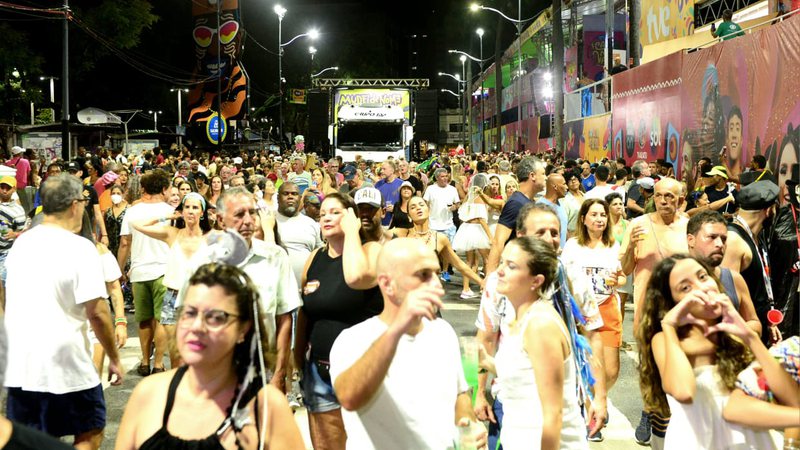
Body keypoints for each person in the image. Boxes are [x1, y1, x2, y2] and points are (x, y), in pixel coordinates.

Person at [114, 263, 305, 449]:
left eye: (215, 317)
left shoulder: (267, 408)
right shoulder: (148, 394)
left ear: (243, 329)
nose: (197, 326)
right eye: (189, 313)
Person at [329, 238, 487, 449]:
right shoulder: (353, 339)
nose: (437, 285)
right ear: (387, 284)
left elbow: (460, 394)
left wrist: (467, 426)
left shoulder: (442, 332)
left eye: (436, 273)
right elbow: (350, 397)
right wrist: (397, 330)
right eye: (423, 275)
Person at [5, 174, 122, 450]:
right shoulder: (80, 248)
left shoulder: (21, 244)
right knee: (90, 430)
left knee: (35, 441)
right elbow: (98, 312)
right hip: (67, 365)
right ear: (74, 204)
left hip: (23, 366)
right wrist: (115, 358)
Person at [636, 255, 781, 449]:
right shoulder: (666, 340)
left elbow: (779, 389)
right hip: (698, 441)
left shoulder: (734, 333)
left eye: (703, 277)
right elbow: (683, 391)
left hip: (752, 440)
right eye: (685, 288)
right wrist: (669, 326)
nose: (702, 288)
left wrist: (749, 336)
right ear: (672, 302)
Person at [297, 193, 384, 449]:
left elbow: (356, 276)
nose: (326, 217)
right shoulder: (314, 257)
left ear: (351, 217)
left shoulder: (372, 250)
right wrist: (296, 359)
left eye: (335, 212)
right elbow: (306, 312)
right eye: (322, 212)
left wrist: (352, 233)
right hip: (319, 370)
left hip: (361, 369)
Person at [490, 236, 589, 450]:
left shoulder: (539, 325)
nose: (500, 270)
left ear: (536, 281)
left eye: (511, 266)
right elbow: (527, 374)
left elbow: (553, 413)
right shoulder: (522, 318)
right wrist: (485, 361)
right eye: (502, 262)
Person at [619, 177, 688, 446]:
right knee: (650, 366)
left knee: (677, 364)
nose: (664, 201)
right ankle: (649, 410)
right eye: (659, 196)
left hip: (681, 310)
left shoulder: (687, 228)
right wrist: (630, 249)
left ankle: (672, 414)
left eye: (670, 196)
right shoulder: (638, 225)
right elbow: (625, 269)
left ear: (681, 199)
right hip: (647, 310)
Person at [216, 187, 302, 393]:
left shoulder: (275, 256)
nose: (248, 221)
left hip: (265, 372)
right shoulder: (203, 259)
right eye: (239, 214)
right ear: (220, 220)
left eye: (252, 213)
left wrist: (279, 374)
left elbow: (284, 319)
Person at [131, 192, 211, 369]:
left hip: (200, 301)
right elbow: (137, 224)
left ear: (202, 213)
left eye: (195, 207)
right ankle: (177, 391)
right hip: (173, 297)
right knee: (176, 354)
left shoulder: (211, 237)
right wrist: (166, 216)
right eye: (187, 207)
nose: (190, 211)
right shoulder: (172, 233)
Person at [562, 199, 624, 393]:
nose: (600, 219)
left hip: (607, 308)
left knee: (611, 371)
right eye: (594, 215)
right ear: (583, 219)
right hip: (579, 312)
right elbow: (562, 277)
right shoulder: (572, 245)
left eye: (603, 215)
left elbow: (621, 277)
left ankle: (596, 398)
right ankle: (592, 406)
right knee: (584, 363)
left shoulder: (613, 245)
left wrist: (617, 281)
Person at [117, 169, 174, 376]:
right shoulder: (170, 211)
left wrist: (119, 269)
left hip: (139, 271)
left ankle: (143, 361)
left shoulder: (132, 212)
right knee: (161, 319)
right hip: (164, 271)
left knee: (143, 319)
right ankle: (158, 363)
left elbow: (125, 242)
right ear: (164, 189)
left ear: (144, 188)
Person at [722, 180, 782, 345]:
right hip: (741, 337)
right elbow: (728, 299)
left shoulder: (757, 235)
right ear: (768, 210)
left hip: (757, 329)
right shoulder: (734, 241)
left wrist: (768, 320)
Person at [686, 210, 762, 334]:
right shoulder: (671, 279)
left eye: (723, 239)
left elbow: (754, 322)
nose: (720, 244)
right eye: (712, 237)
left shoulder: (734, 278)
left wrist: (731, 331)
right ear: (691, 240)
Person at [486, 157, 547, 273]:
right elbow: (498, 242)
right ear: (532, 176)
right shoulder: (515, 203)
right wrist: (489, 277)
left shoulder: (529, 201)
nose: (546, 177)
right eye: (543, 174)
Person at [453, 174, 492, 299]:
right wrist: (491, 237)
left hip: (466, 229)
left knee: (469, 261)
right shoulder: (481, 198)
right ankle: (485, 287)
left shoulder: (468, 198)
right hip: (478, 230)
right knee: (487, 260)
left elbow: (460, 213)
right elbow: (481, 219)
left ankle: (465, 289)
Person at [276, 182, 323, 285]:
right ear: (278, 198)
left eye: (294, 194)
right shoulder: (269, 220)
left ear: (300, 198)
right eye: (286, 193)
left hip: (306, 288)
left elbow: (320, 254)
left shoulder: (311, 223)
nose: (290, 197)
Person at [536, 173, 569, 247]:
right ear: (555, 187)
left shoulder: (560, 203)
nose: (566, 187)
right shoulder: (541, 207)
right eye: (564, 184)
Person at [375, 160, 403, 227]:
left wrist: (396, 208)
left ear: (392, 170)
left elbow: (407, 204)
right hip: (382, 224)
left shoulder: (402, 184)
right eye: (381, 169)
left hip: (398, 224)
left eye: (384, 169)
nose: (381, 171)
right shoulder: (378, 185)